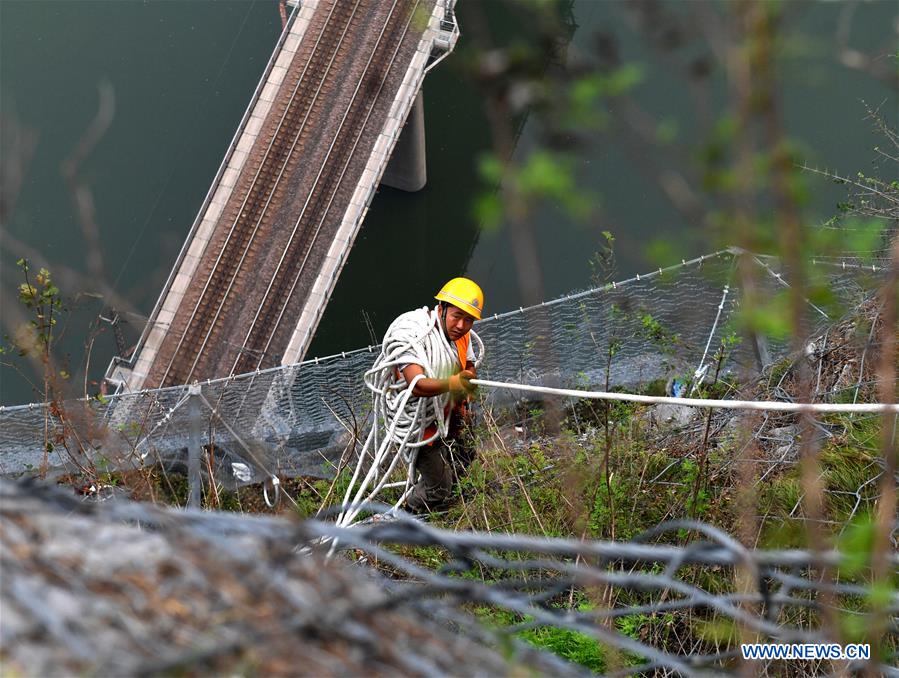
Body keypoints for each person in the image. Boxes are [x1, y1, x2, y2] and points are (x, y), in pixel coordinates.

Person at [394, 277, 483, 513]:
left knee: (466, 455)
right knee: (438, 487)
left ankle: (450, 493)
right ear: (441, 309)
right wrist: (453, 383)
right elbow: (416, 384)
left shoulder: (460, 335)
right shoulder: (413, 333)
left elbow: (469, 363)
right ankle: (407, 511)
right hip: (421, 424)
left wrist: (467, 380)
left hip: (451, 413)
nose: (462, 326)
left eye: (469, 320)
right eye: (456, 316)